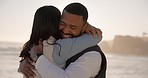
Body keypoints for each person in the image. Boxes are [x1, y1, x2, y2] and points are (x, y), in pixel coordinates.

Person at [18, 5, 102, 78]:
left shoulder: (92, 54)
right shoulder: (58, 45)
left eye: (73, 27)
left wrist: (37, 57)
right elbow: (96, 37)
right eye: (62, 24)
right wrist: (23, 65)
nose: (65, 30)